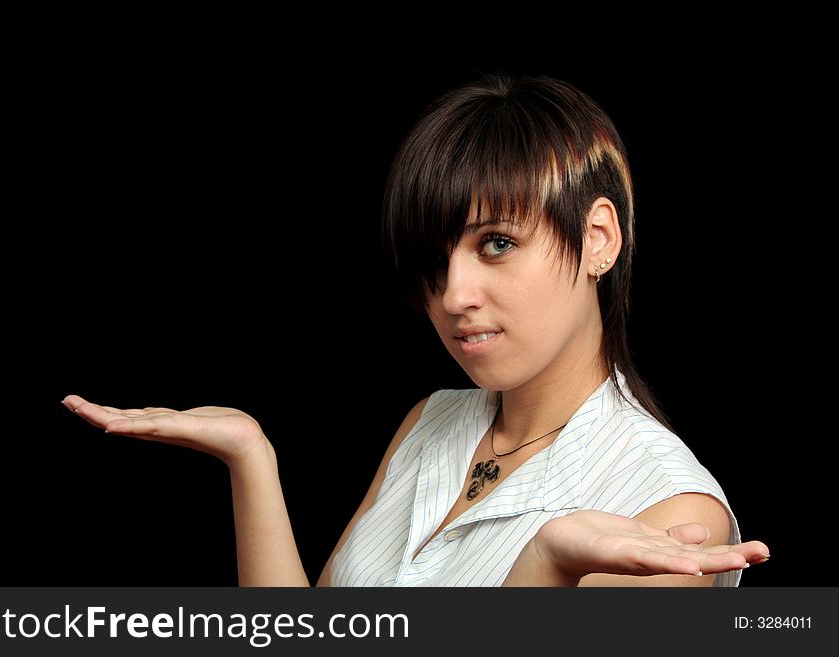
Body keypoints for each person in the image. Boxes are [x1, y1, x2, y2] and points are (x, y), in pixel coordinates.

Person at [63, 74, 769, 586]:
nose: (454, 295)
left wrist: (541, 567)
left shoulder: (671, 512)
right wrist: (253, 459)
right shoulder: (432, 422)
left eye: (496, 243)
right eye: (434, 261)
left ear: (598, 239)